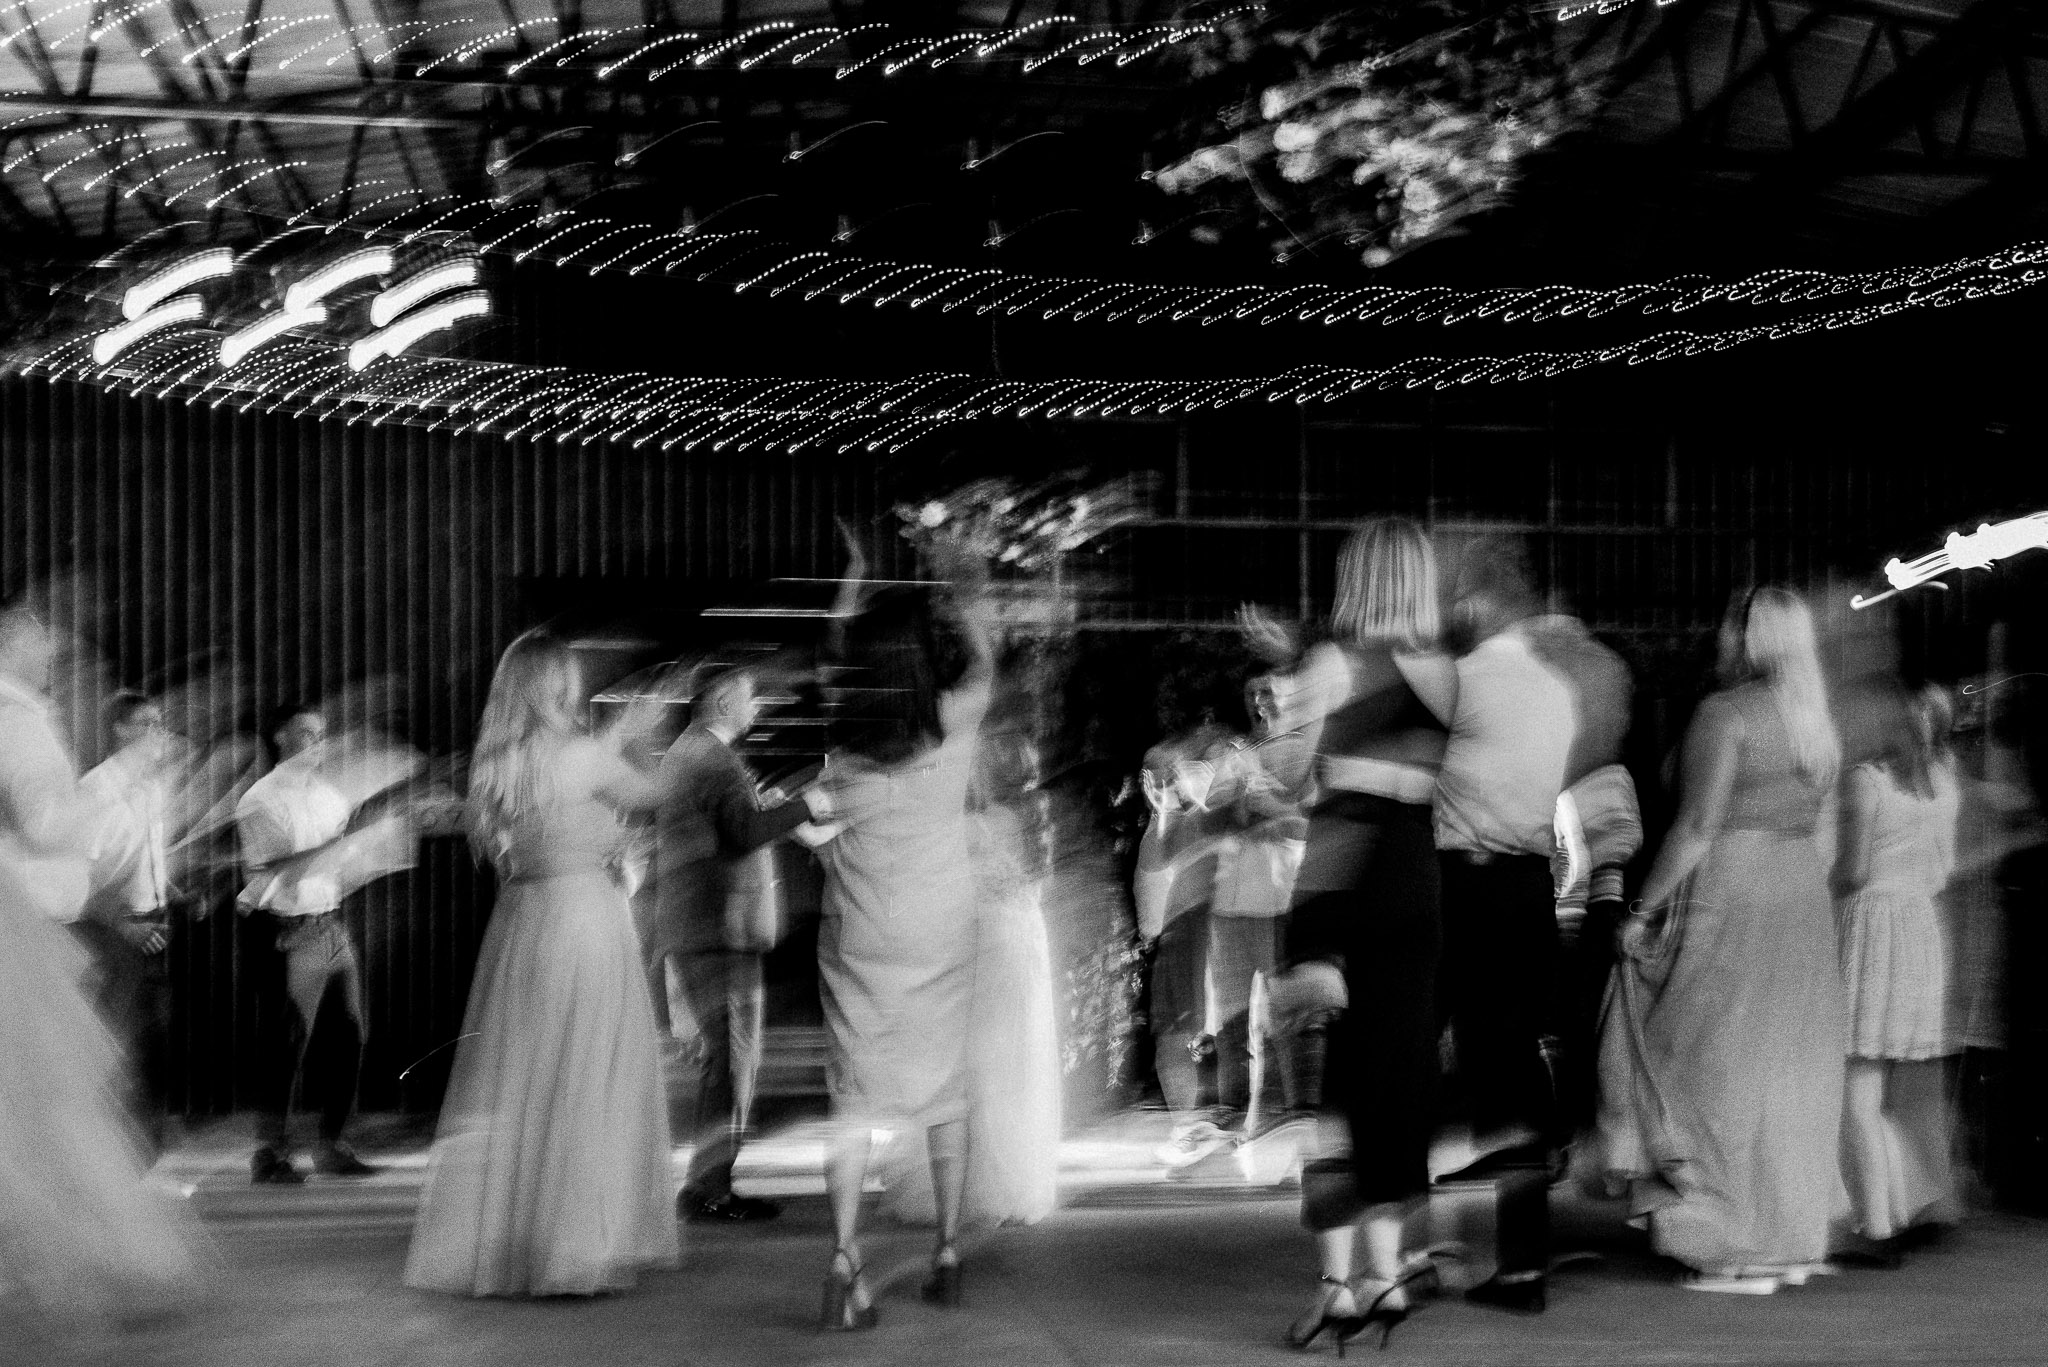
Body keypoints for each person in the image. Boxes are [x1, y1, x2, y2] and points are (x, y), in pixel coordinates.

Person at [404, 627, 679, 1298]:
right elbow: (655, 793)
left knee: (528, 1077)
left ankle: (523, 1235)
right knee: (586, 1073)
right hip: (584, 919)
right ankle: (575, 1242)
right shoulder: (581, 756)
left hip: (523, 923)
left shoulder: (495, 764)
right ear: (558, 685)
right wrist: (640, 733)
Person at [1598, 585, 1846, 1293]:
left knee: (1703, 1062)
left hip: (1733, 888)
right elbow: (1825, 832)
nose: (1717, 639)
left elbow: (1698, 826)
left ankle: (1726, 1242)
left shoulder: (1725, 713)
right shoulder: (1816, 722)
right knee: (1786, 1069)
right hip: (1801, 892)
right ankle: (1786, 1239)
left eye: (1727, 628)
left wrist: (1642, 909)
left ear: (1747, 637)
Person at [1248, 517, 1457, 1351]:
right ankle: (1388, 1273)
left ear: (1358, 578)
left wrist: (1281, 700)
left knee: (1332, 1090)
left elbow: (1288, 777)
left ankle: (1337, 1289)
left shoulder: (1336, 663)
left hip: (1342, 877)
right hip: (1417, 873)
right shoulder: (1445, 672)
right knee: (1396, 1083)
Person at [0, 601, 206, 1334]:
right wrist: (118, 779)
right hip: (28, 927)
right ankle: (111, 1256)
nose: (54, 649)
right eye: (39, 637)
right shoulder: (16, 716)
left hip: (42, 922)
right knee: (56, 1095)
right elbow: (48, 826)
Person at [808, 545, 994, 1330]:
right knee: (945, 1089)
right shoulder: (954, 723)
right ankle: (947, 1251)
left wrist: (849, 585)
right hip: (940, 928)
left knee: (851, 1095)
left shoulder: (845, 745)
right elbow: (984, 663)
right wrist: (964, 596)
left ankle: (844, 1256)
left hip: (860, 927)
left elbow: (833, 657)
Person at [653, 661, 811, 1224]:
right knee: (732, 1059)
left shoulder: (690, 753)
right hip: (718, 931)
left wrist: (766, 804)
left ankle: (709, 1183)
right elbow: (743, 833)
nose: (756, 706)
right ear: (722, 701)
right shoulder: (714, 758)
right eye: (749, 695)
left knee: (727, 1059)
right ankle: (711, 1188)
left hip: (701, 929)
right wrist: (805, 806)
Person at [1835, 683, 1964, 1256]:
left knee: (1858, 1086)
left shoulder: (1869, 781)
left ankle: (1878, 1223)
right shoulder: (1944, 787)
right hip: (1919, 929)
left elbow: (1854, 870)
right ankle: (1898, 1205)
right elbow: (1945, 868)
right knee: (1884, 1086)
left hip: (1873, 926)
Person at [234, 706, 378, 1183]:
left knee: (349, 1034)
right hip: (287, 928)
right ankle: (270, 1153)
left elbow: (339, 865)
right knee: (288, 1042)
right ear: (280, 736)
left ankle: (331, 1145)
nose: (318, 742)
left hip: (329, 922)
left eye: (321, 733)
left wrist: (364, 849)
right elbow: (284, 869)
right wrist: (344, 844)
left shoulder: (328, 795)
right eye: (307, 733)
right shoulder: (260, 799)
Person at [76, 690, 180, 1156]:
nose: (159, 733)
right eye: (147, 723)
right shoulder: (98, 791)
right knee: (117, 1039)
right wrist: (125, 924)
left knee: (153, 1038)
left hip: (153, 923)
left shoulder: (150, 788)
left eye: (160, 723)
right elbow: (81, 875)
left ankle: (140, 1148)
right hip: (112, 931)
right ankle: (106, 1148)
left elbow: (140, 860)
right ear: (119, 730)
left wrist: (174, 894)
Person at [1133, 724, 1235, 1169]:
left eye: (1164, 772)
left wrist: (1169, 804)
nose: (1157, 781)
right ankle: (1193, 1126)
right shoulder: (1172, 819)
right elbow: (1154, 875)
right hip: (1182, 931)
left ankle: (1199, 1127)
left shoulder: (1200, 812)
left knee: (1188, 1033)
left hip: (1199, 928)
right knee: (1178, 1035)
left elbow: (1172, 861)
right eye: (1152, 774)